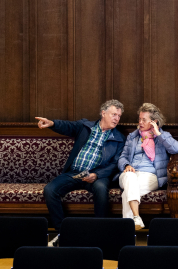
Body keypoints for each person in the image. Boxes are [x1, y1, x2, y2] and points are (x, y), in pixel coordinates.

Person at [36, 99, 126, 247]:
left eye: (119, 116)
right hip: (75, 172)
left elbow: (115, 163)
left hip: (97, 175)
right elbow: (68, 126)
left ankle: (100, 234)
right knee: (50, 190)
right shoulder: (85, 126)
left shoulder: (119, 138)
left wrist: (97, 175)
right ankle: (62, 234)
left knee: (101, 189)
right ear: (103, 113)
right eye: (114, 114)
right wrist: (51, 123)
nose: (117, 118)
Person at [117, 102, 178, 230]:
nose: (140, 122)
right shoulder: (133, 137)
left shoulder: (162, 136)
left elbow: (177, 148)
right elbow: (122, 157)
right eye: (139, 119)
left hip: (150, 176)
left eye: (144, 120)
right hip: (130, 174)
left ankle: (128, 232)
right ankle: (136, 217)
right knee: (129, 177)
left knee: (127, 194)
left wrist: (158, 134)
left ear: (154, 121)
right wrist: (126, 165)